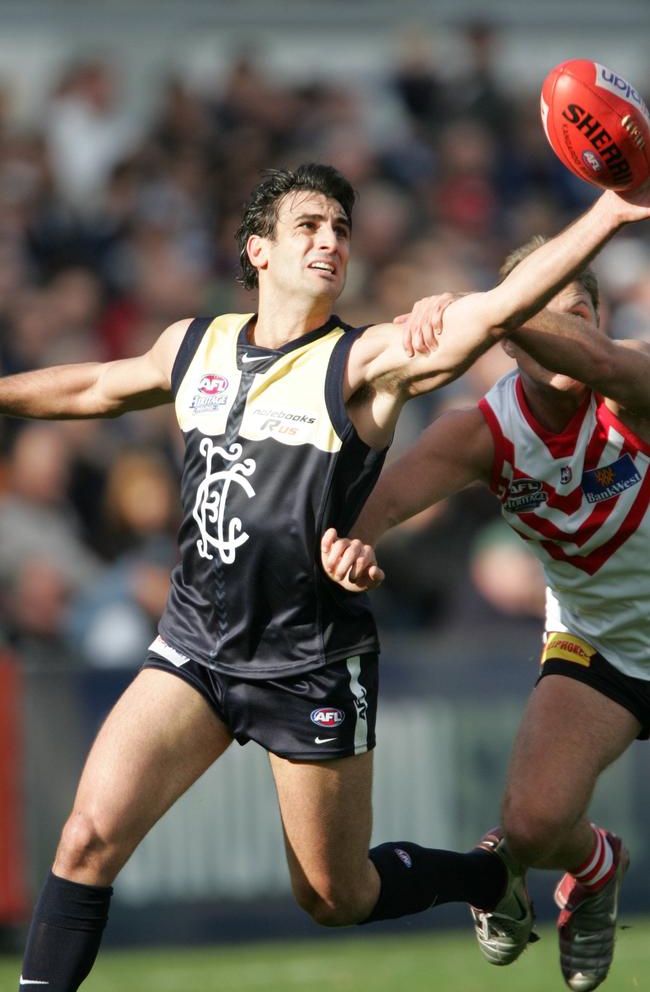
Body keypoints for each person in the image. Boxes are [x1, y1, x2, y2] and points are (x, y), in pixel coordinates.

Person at [8, 162, 650, 992]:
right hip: (196, 644)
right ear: (258, 249)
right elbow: (94, 385)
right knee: (86, 840)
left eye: (342, 229)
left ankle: (486, 880)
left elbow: (495, 314)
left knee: (334, 896)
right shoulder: (193, 345)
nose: (331, 240)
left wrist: (606, 213)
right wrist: (356, 539)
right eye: (310, 225)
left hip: (308, 657)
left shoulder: (366, 360)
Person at [321, 233, 650, 991]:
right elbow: (378, 508)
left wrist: (490, 309)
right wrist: (352, 550)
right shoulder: (482, 432)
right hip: (598, 645)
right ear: (509, 350)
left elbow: (592, 360)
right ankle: (597, 869)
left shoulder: (630, 377)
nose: (565, 333)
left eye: (578, 314)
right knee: (532, 828)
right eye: (544, 314)